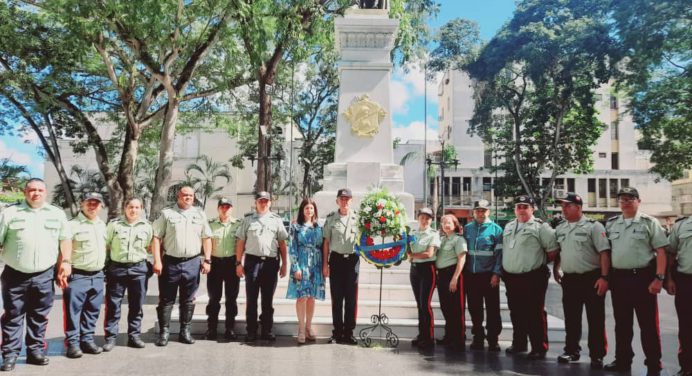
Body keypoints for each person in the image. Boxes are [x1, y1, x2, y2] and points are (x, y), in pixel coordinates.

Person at [0, 178, 71, 371]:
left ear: (45, 193)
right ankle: (10, 354)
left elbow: (65, 239)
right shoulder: (10, 213)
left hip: (44, 274)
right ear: (25, 192)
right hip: (15, 274)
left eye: (40, 190)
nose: (36, 193)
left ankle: (35, 351)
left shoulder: (56, 214)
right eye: (32, 190)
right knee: (13, 316)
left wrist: (65, 262)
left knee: (39, 315)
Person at [604, 187, 668, 376]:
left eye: (630, 198)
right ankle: (623, 360)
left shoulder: (650, 223)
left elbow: (661, 251)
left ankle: (654, 363)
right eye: (622, 199)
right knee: (622, 324)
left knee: (648, 324)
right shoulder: (612, 224)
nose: (625, 202)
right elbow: (606, 253)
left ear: (638, 201)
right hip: (619, 279)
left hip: (643, 279)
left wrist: (659, 278)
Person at [552, 193, 610, 369]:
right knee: (571, 317)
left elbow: (604, 253)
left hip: (591, 277)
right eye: (562, 206)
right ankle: (571, 350)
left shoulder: (594, 226)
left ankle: (597, 354)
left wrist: (604, 277)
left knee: (595, 318)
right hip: (570, 279)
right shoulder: (561, 228)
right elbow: (559, 251)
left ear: (578, 207)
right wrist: (556, 268)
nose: (564, 209)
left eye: (567, 205)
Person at [152, 186, 212, 346]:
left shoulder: (200, 214)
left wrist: (207, 259)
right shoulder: (167, 214)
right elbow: (156, 237)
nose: (188, 198)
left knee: (188, 300)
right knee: (166, 299)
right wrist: (157, 260)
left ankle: (184, 332)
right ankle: (164, 333)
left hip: (192, 262)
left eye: (191, 195)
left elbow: (206, 237)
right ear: (178, 196)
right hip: (171, 262)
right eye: (185, 195)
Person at [502, 195, 558, 360]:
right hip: (512, 277)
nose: (521, 209)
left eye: (525, 206)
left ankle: (539, 347)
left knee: (535, 313)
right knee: (516, 312)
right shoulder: (509, 226)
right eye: (518, 206)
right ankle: (519, 343)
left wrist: (536, 263)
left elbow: (553, 251)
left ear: (532, 209)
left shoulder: (541, 227)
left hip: (533, 277)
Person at [235, 191, 289, 342]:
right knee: (251, 299)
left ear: (270, 203)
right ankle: (251, 331)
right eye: (260, 201)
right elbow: (240, 242)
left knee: (267, 300)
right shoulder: (247, 220)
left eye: (266, 201)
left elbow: (282, 244)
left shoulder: (277, 220)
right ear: (256, 203)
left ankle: (267, 329)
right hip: (252, 262)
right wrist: (238, 263)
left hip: (271, 263)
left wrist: (284, 264)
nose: (263, 203)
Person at [103, 198, 153, 351]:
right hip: (117, 269)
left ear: (141, 209)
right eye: (131, 207)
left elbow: (150, 247)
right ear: (125, 208)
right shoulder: (114, 225)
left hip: (138, 269)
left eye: (137, 207)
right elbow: (106, 245)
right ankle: (110, 338)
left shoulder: (147, 227)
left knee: (136, 304)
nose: (133, 210)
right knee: (113, 304)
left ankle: (134, 335)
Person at [62, 192, 108, 359]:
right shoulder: (71, 225)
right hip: (77, 275)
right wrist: (61, 268)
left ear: (101, 206)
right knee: (73, 312)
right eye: (89, 203)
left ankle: (87, 340)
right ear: (82, 204)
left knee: (92, 311)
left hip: (97, 275)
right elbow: (63, 249)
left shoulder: (102, 225)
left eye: (96, 203)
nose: (92, 206)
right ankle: (73, 344)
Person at [463, 199, 503, 352]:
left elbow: (499, 254)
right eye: (478, 210)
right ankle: (478, 337)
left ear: (488, 212)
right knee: (474, 308)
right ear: (474, 212)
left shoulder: (496, 230)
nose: (480, 213)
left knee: (493, 309)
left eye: (483, 210)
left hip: (489, 276)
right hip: (471, 276)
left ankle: (493, 339)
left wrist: (496, 273)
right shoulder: (467, 229)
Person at [322, 188, 360, 345]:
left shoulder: (358, 219)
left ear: (351, 200)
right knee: (337, 299)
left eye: (347, 199)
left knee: (351, 299)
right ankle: (337, 332)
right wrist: (325, 264)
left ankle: (349, 332)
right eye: (342, 199)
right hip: (336, 260)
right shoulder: (331, 219)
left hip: (352, 260)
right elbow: (326, 243)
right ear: (337, 201)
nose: (344, 201)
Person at [286, 198, 325, 344]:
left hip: (316, 264)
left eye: (311, 208)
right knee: (301, 296)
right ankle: (301, 328)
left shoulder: (319, 228)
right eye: (307, 208)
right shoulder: (296, 227)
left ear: (315, 210)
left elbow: (323, 246)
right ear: (302, 210)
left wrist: (323, 266)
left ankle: (309, 327)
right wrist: (295, 266)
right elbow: (292, 247)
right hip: (301, 263)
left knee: (311, 297)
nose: (309, 211)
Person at [205, 197, 241, 341]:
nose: (225, 209)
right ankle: (211, 329)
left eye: (228, 207)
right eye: (222, 207)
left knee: (231, 299)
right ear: (218, 208)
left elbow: (241, 244)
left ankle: (230, 329)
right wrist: (206, 261)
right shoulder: (211, 225)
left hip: (232, 264)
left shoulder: (238, 224)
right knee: (214, 298)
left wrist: (240, 263)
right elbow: (206, 242)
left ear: (231, 208)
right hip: (215, 264)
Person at [407, 208, 440, 350]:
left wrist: (412, 255)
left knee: (425, 304)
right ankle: (422, 334)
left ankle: (429, 337)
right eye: (422, 217)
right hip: (415, 270)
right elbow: (407, 251)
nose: (425, 221)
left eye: (428, 218)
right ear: (418, 218)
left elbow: (429, 253)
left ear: (431, 220)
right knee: (419, 304)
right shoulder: (412, 234)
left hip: (428, 270)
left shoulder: (433, 234)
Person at [435, 214, 467, 350]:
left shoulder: (459, 240)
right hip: (441, 275)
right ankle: (449, 336)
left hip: (453, 274)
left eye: (449, 222)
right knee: (445, 307)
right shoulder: (441, 240)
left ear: (455, 225)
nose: (446, 225)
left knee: (456, 309)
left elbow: (461, 259)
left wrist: (455, 278)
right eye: (443, 222)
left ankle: (458, 339)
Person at [666, 215, 692, 376]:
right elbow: (670, 253)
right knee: (686, 326)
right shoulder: (681, 226)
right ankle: (687, 366)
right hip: (686, 281)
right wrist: (668, 278)